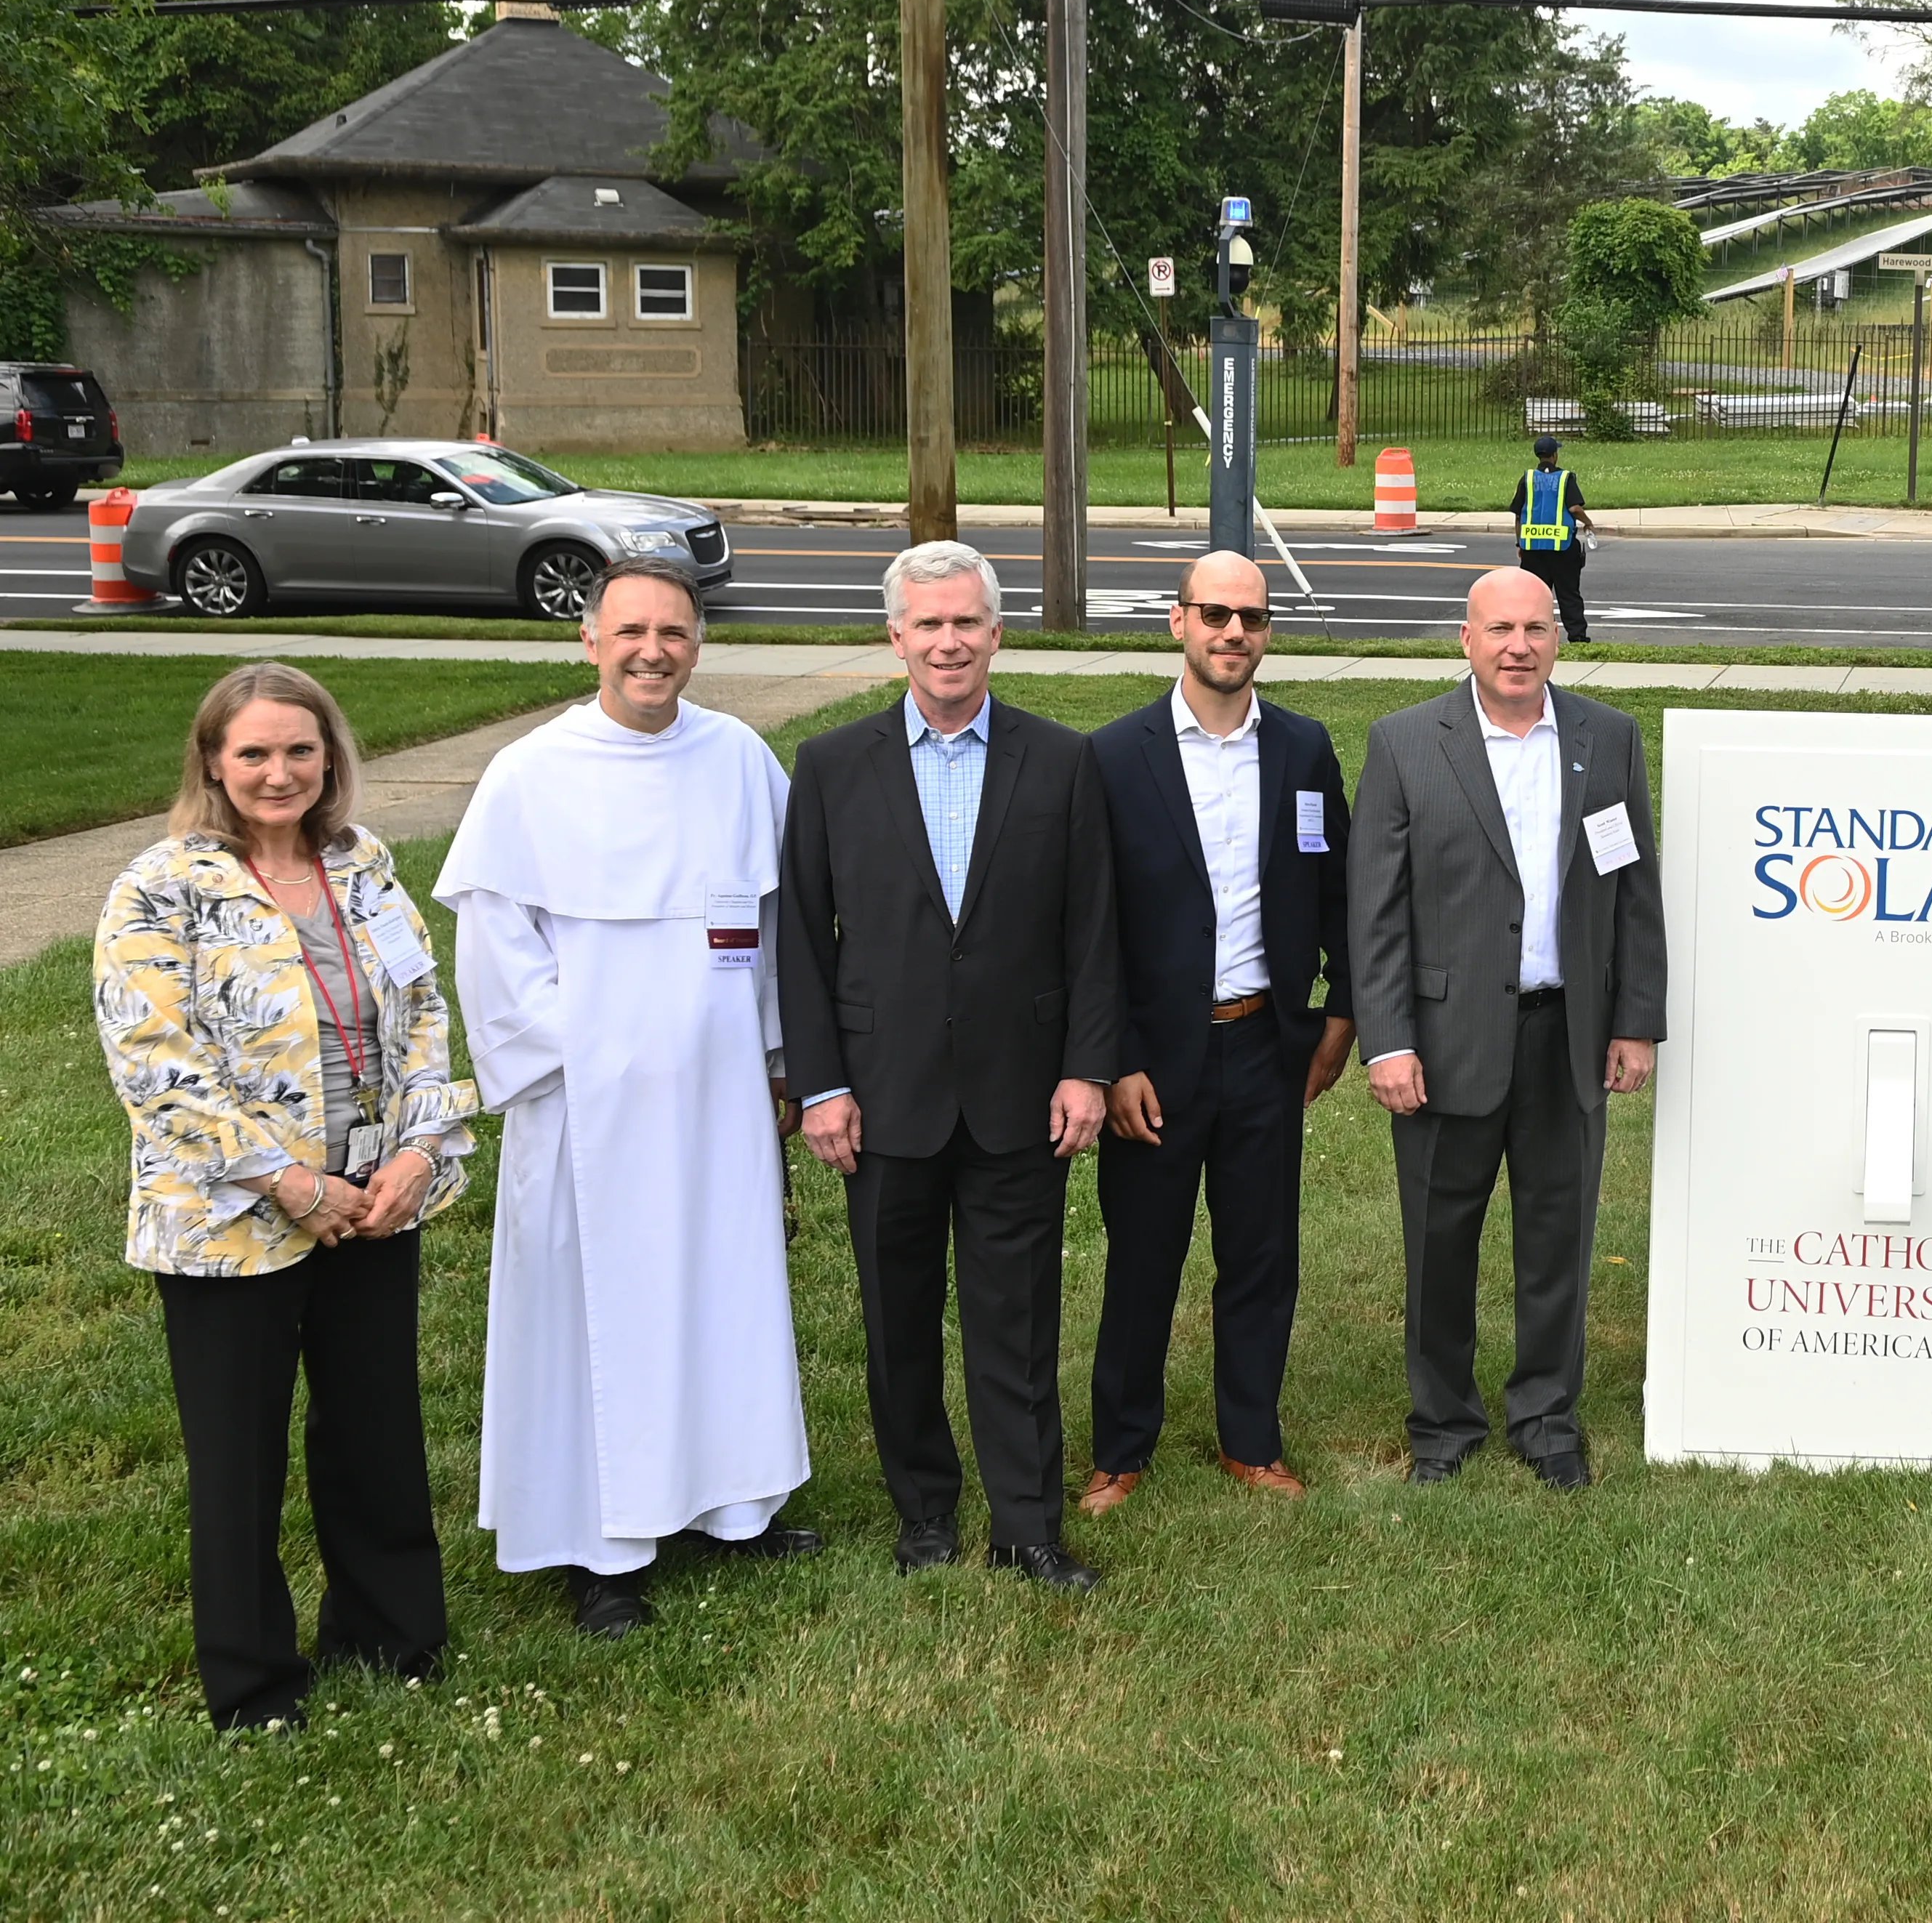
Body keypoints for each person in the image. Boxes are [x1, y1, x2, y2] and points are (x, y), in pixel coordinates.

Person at [438, 555, 818, 1639]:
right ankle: (599, 1548)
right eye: (632, 631)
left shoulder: (738, 759)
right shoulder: (529, 775)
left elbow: (772, 924)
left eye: (676, 632)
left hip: (718, 1102)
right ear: (590, 640)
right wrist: (602, 1054)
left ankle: (730, 1507)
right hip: (585, 1111)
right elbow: (500, 963)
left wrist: (780, 1054)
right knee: (595, 1323)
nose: (654, 650)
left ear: (698, 645)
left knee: (721, 1294)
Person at [97, 664, 475, 1729]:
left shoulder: (362, 865)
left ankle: (391, 1633)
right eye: (254, 752)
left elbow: (423, 1011)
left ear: (330, 758)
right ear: (214, 761)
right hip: (232, 1218)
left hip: (374, 1196)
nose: (279, 772)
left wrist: (417, 1153)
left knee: (375, 1433)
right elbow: (156, 1064)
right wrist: (293, 1183)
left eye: (299, 750)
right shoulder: (162, 883)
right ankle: (256, 1682)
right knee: (239, 1455)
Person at [781, 541, 1124, 1589]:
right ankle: (923, 1508)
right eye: (927, 623)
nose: (947, 641)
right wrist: (824, 1085)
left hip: (1023, 1094)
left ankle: (1027, 1524)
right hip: (883, 1100)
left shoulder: (1062, 761)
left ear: (997, 633)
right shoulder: (833, 767)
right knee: (896, 1315)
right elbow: (803, 935)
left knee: (1015, 1320)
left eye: (966, 621)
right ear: (895, 638)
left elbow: (1094, 933)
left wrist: (1087, 1069)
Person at [1353, 565, 1665, 1488]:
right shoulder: (1406, 743)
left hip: (1565, 1032)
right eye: (1498, 630)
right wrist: (1389, 1037)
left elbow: (1633, 890)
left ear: (1557, 638)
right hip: (1446, 1045)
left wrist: (1634, 1020)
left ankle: (1545, 1416)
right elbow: (1375, 909)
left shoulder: (1606, 740)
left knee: (1558, 1237)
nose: (1517, 646)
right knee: (1438, 1242)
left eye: (1534, 628)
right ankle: (1442, 1424)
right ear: (1465, 639)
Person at [1082, 551, 1358, 1512]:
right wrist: (1112, 1063)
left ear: (1266, 631)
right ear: (1178, 622)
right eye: (1215, 614)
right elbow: (1091, 929)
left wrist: (1341, 1012)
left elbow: (1337, 891)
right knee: (1144, 1260)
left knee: (1261, 1255)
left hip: (1263, 1047)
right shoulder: (1113, 759)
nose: (1233, 632)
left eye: (1252, 617)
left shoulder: (1302, 751)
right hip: (1155, 1064)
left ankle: (1252, 1439)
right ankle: (1120, 1449)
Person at [1512, 433, 1595, 644]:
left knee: (1534, 597)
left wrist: (1520, 543)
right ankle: (1577, 638)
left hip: (1533, 549)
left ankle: (1532, 637)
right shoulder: (1566, 478)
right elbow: (1575, 508)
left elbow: (1519, 515)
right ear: (1555, 455)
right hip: (1562, 548)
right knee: (1569, 595)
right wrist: (1588, 522)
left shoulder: (1528, 478)